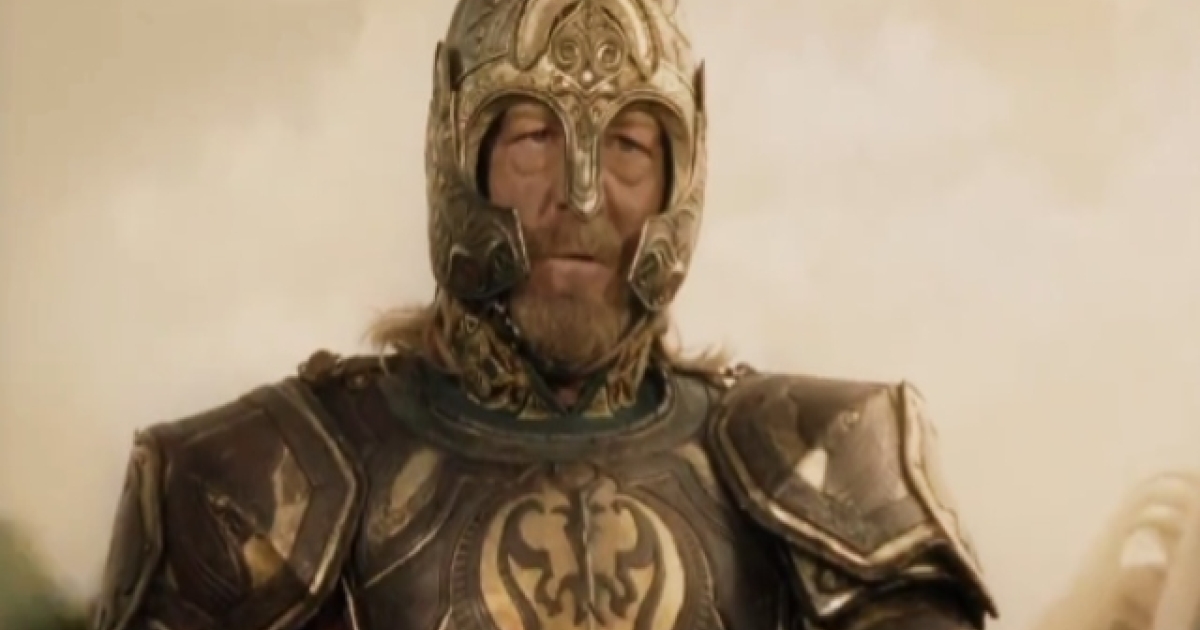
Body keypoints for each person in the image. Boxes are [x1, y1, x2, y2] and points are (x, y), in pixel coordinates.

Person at [90, 0, 998, 629]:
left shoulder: (827, 468)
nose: (583, 195)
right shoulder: (254, 487)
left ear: (683, 172)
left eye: (631, 142)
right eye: (533, 136)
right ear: (459, 148)